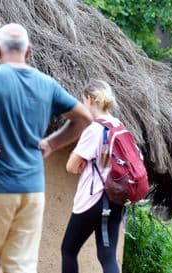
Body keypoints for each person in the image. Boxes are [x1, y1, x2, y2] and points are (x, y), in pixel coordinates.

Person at [0, 23, 92, 273]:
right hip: (32, 191)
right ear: (29, 51)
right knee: (20, 267)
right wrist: (52, 143)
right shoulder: (47, 84)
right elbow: (84, 117)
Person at [61, 80, 123, 273]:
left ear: (89, 99)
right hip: (116, 198)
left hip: (93, 199)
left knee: (68, 250)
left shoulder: (95, 129)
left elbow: (71, 166)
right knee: (107, 256)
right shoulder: (119, 126)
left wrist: (80, 162)